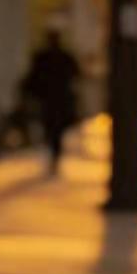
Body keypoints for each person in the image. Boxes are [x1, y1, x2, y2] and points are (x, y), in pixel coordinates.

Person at [21, 28, 81, 174]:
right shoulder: (55, 57)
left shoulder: (50, 57)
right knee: (53, 130)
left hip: (53, 101)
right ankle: (54, 154)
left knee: (54, 130)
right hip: (53, 101)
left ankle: (55, 154)